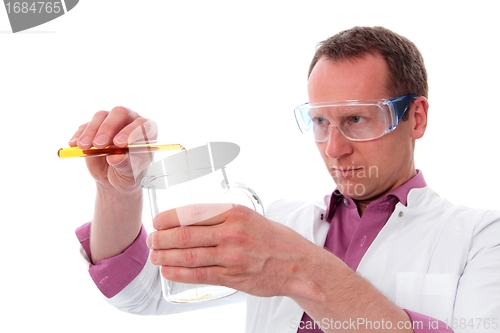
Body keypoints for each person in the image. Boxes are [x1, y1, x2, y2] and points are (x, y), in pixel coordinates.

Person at [70, 26, 500, 333]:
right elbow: (140, 294)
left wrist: (299, 269)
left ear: (417, 117)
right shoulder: (277, 224)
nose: (334, 148)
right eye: (319, 121)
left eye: (355, 119)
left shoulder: (481, 238)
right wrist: (118, 190)